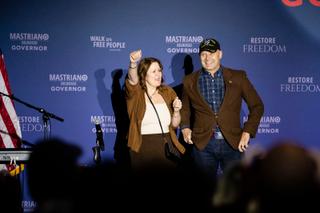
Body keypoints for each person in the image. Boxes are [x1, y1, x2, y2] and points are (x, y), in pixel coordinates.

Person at [180, 38, 264, 178]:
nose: (207, 58)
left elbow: (257, 106)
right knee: (204, 189)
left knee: (236, 189)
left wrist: (247, 131)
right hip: (203, 144)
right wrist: (185, 127)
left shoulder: (238, 77)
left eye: (212, 53)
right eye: (203, 54)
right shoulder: (189, 80)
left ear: (220, 54)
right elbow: (185, 108)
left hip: (233, 142)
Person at [125, 49, 185, 170]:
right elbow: (132, 80)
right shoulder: (136, 93)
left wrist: (177, 111)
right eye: (153, 71)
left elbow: (174, 125)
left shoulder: (168, 92)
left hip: (166, 144)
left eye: (159, 70)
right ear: (143, 75)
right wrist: (133, 63)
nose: (158, 74)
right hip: (142, 146)